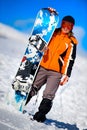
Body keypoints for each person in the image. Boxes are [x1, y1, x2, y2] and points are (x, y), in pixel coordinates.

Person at [25, 15, 78, 122]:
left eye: (69, 26)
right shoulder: (52, 33)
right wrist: (50, 14)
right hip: (42, 66)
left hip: (56, 72)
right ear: (61, 23)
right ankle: (20, 104)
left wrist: (66, 75)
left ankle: (39, 117)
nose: (66, 27)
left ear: (72, 27)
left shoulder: (72, 41)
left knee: (48, 95)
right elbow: (42, 31)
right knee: (33, 87)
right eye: (64, 24)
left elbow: (70, 59)